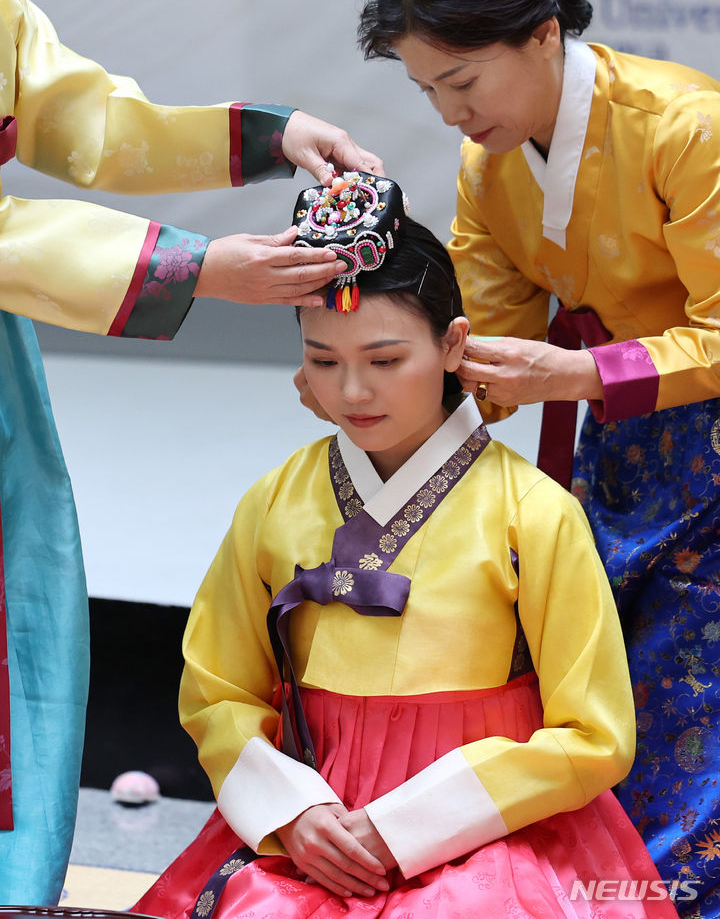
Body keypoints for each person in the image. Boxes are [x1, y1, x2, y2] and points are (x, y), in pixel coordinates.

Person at [134, 172, 682, 919]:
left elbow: (594, 732)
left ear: (454, 342)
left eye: (385, 360)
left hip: (488, 829)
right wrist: (292, 812)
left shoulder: (535, 513)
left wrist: (411, 825)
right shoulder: (273, 502)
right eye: (323, 360)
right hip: (317, 824)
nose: (353, 391)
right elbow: (217, 691)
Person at [0, 0, 385, 904]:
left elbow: (102, 129)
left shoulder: (8, 16)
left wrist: (277, 135)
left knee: (23, 602)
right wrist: (194, 267)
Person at [355, 0, 720, 918]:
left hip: (707, 446)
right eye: (428, 89)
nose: (447, 115)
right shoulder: (492, 164)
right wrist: (386, 372)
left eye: (462, 82)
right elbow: (491, 352)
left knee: (690, 704)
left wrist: (576, 371)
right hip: (614, 447)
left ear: (543, 33)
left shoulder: (687, 127)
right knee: (600, 696)